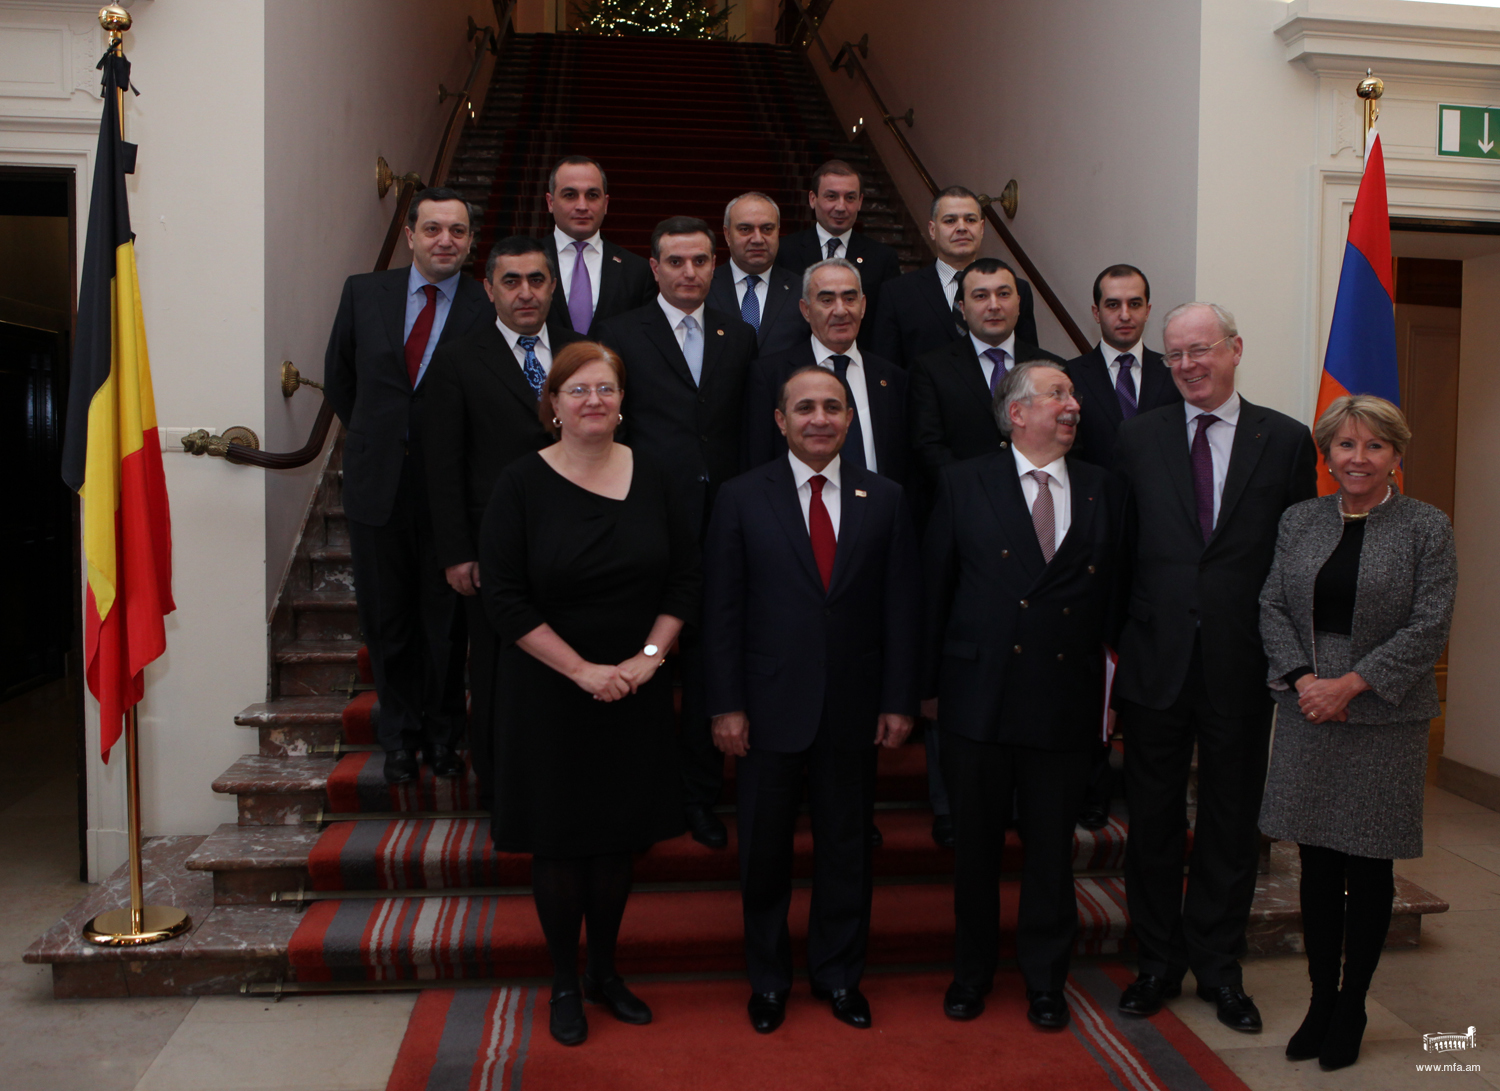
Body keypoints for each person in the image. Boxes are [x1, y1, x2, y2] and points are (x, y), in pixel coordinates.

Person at [478, 341, 698, 1047]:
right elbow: (506, 600)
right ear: (553, 405)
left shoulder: (657, 475)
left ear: (623, 400)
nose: (593, 401)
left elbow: (685, 580)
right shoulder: (518, 483)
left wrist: (648, 659)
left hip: (633, 688)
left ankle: (604, 970)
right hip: (548, 691)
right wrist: (581, 670)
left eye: (605, 388)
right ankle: (564, 981)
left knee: (616, 841)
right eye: (577, 390)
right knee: (561, 843)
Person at [1112, 302, 1317, 1031]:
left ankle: (1221, 970)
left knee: (1232, 822)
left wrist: (1295, 660)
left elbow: (1298, 561)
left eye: (1201, 350)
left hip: (1243, 664)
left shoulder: (1286, 440)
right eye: (1176, 355)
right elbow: (1119, 552)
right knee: (1155, 822)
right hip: (1154, 663)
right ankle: (1158, 961)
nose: (1189, 365)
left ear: (1235, 349)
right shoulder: (1135, 438)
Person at [704, 364, 920, 1035]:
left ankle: (838, 975)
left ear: (850, 419)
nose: (819, 418)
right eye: (805, 407)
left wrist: (898, 699)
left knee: (847, 851)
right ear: (780, 420)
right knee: (764, 853)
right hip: (765, 708)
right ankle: (768, 980)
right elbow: (722, 611)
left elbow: (901, 609)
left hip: (854, 707)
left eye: (832, 406)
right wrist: (725, 704)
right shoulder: (741, 497)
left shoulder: (884, 497)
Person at [924, 360, 1124, 1031]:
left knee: (1049, 854)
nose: (1073, 406)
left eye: (1072, 396)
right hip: (978, 696)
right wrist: (924, 690)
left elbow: (1117, 598)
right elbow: (934, 592)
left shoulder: (1103, 488)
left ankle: (1045, 979)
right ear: (1017, 412)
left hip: (1063, 699)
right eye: (1059, 396)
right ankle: (971, 974)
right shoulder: (962, 481)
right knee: (975, 851)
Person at [1259, 395, 1456, 1071]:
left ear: (1397, 455)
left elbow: (1430, 622)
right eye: (1345, 445)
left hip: (1383, 715)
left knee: (1369, 864)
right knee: (1316, 860)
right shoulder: (1299, 520)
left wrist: (1352, 683)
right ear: (1327, 454)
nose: (1358, 459)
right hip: (1308, 703)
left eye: (1374, 446)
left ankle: (1354, 1004)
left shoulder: (1427, 527)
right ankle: (1320, 998)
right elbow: (1272, 604)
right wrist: (1305, 678)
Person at [594, 216, 758, 851]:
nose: (689, 273)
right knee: (649, 663)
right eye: (676, 262)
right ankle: (641, 793)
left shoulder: (738, 334)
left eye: (700, 261)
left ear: (714, 266)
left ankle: (698, 795)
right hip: (647, 524)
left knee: (711, 659)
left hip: (723, 527)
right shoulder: (618, 335)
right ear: (654, 269)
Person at [324, 186, 492, 784]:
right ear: (410, 235)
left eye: (458, 231)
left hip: (451, 495)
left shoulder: (485, 302)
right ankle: (399, 738)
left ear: (471, 241)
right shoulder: (363, 293)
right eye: (433, 229)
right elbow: (341, 380)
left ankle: (445, 736)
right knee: (387, 620)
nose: (445, 240)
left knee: (446, 625)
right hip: (378, 488)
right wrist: (380, 436)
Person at [419, 236, 586, 807]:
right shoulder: (459, 358)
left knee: (568, 666)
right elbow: (442, 466)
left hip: (575, 546)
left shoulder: (581, 353)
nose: (525, 292)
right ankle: (501, 790)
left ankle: (565, 783)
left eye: (536, 280)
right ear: (488, 288)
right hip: (494, 551)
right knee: (496, 675)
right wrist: (456, 552)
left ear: (553, 286)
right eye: (511, 281)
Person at [1065, 264, 1181, 831]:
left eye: (1135, 303)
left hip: (1160, 548)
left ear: (1148, 309)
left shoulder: (1174, 374)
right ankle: (1090, 790)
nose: (1125, 315)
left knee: (1152, 675)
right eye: (1113, 304)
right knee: (1093, 672)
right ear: (1095, 312)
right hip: (1093, 543)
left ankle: (1145, 789)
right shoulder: (1068, 376)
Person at [742, 258, 908, 485]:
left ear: (863, 306)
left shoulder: (892, 378)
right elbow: (758, 463)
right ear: (806, 310)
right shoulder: (771, 375)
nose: (841, 311)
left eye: (850, 299)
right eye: (827, 300)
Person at [909, 257, 1064, 495]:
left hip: (1041, 499)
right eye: (980, 296)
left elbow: (1065, 440)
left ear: (1019, 303)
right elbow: (928, 447)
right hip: (965, 502)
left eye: (1003, 294)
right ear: (962, 307)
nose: (994, 306)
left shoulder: (1052, 367)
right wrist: (979, 491)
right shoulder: (931, 369)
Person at [870, 187, 1038, 368]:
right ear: (932, 230)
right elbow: (886, 369)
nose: (962, 228)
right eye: (950, 221)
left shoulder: (1016, 290)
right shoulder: (897, 293)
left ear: (981, 228)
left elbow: (1029, 364)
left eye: (970, 220)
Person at [775, 159, 901, 340]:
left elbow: (887, 326)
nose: (841, 207)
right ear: (812, 199)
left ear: (860, 202)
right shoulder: (785, 251)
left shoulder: (882, 258)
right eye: (831, 197)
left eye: (850, 198)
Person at [539, 155, 655, 336]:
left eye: (592, 195)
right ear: (550, 202)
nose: (582, 206)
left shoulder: (637, 271)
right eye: (570, 195)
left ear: (606, 204)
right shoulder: (526, 261)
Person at [707, 192, 810, 358]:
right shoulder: (705, 286)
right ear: (727, 235)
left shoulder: (802, 289)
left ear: (778, 232)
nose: (757, 239)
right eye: (745, 229)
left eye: (767, 229)